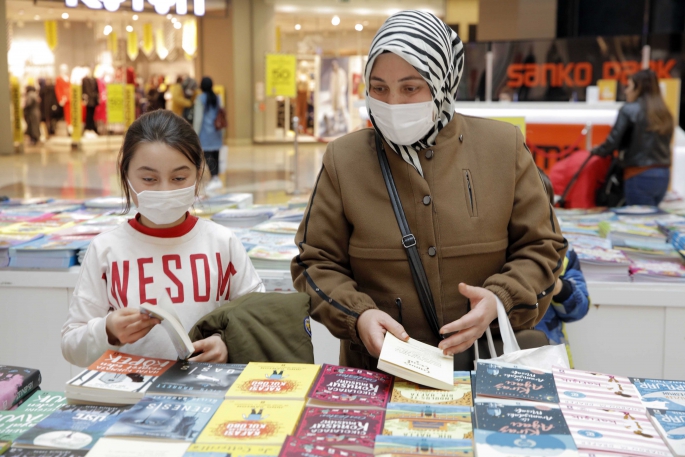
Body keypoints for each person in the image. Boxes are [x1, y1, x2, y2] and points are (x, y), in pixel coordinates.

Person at [291, 11, 567, 371]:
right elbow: (315, 262)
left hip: (484, 368)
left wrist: (500, 300)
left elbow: (543, 247)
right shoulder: (344, 160)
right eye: (379, 88)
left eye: (410, 87)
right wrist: (358, 316)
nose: (393, 102)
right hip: (379, 373)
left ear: (442, 83)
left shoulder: (503, 147)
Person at [61, 110, 264, 367]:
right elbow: (71, 344)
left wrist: (228, 343)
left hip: (208, 395)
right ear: (125, 175)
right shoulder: (105, 250)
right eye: (149, 179)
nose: (165, 190)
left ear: (198, 174)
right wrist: (108, 330)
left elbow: (259, 320)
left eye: (179, 178)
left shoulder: (222, 244)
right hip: (131, 398)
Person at [591, 69, 674, 206]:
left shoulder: (629, 110)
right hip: (663, 175)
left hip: (638, 174)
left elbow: (612, 142)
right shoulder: (664, 113)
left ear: (638, 88)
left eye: (629, 86)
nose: (626, 91)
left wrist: (596, 151)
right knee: (651, 220)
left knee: (637, 222)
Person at [535, 169, 590, 367]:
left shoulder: (563, 251)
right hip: (496, 355)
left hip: (550, 358)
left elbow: (580, 308)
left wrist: (557, 287)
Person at [193, 77, 224, 190]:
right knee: (216, 154)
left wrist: (195, 133)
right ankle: (216, 177)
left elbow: (198, 119)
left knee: (208, 155)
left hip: (205, 132)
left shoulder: (200, 99)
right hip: (216, 132)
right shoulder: (217, 97)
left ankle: (215, 177)